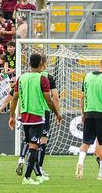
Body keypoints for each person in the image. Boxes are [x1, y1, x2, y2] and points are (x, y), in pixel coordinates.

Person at [8, 53, 62, 185]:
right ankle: (27, 178)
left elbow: (14, 98)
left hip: (24, 116)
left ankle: (37, 174)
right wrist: (57, 113)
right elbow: (48, 100)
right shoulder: (43, 79)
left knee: (31, 145)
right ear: (41, 65)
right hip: (37, 116)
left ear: (29, 64)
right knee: (34, 147)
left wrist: (12, 116)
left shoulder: (21, 78)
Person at [75, 57, 102, 180]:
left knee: (86, 142)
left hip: (88, 113)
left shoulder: (87, 76)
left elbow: (82, 97)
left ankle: (81, 161)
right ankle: (101, 173)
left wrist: (83, 113)